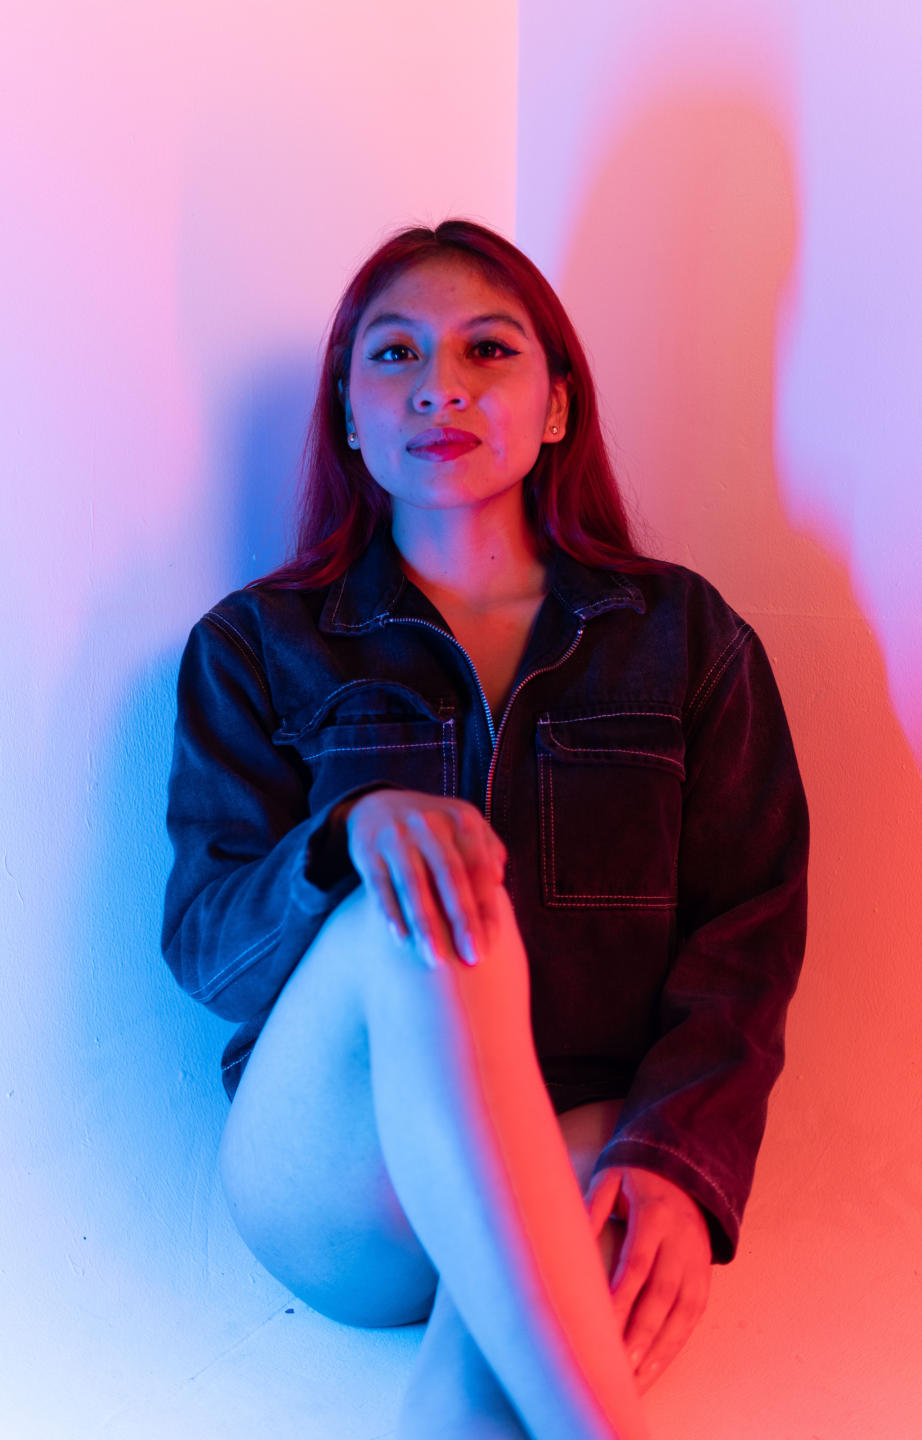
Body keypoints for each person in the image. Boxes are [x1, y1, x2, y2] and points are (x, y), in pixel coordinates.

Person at [162, 219, 808, 1440]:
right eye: (394, 354)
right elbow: (208, 952)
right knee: (427, 910)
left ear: (557, 404)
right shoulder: (255, 646)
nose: (439, 385)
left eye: (487, 350)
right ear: (349, 414)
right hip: (339, 1181)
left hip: (582, 1146)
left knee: (479, 1391)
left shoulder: (684, 638)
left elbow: (749, 940)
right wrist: (351, 835)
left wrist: (682, 1161)